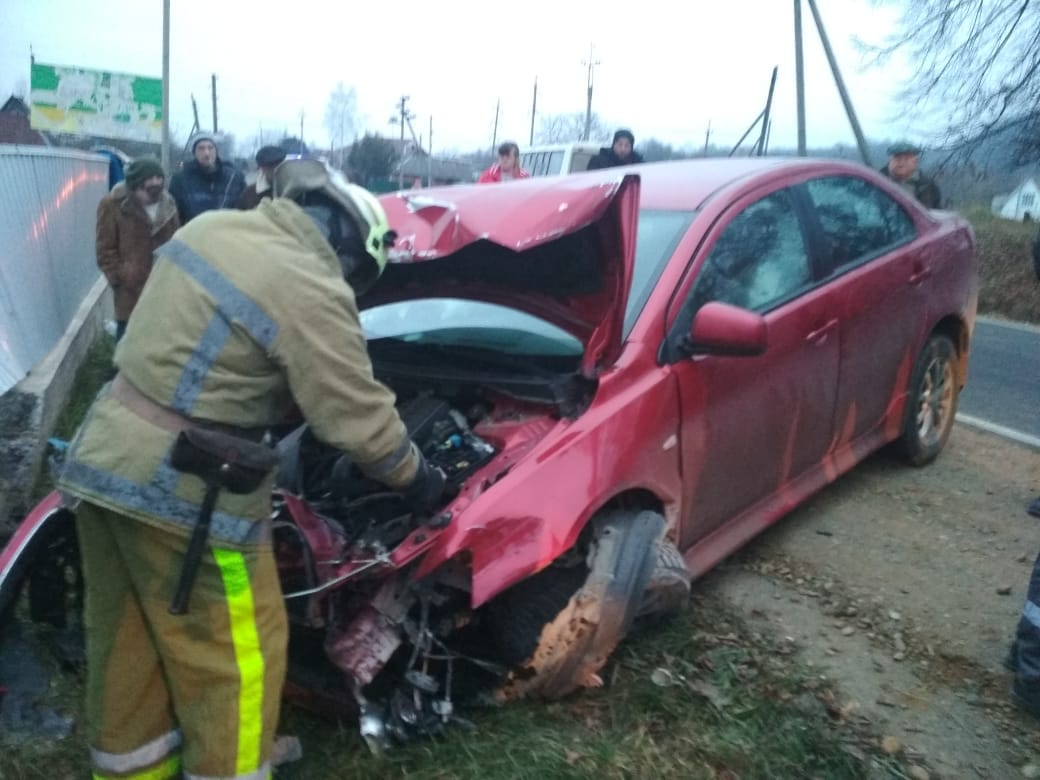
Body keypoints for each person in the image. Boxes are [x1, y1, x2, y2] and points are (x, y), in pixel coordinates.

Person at [58, 158, 447, 780]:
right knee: (240, 654)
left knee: (127, 640)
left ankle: (131, 771)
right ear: (349, 250)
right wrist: (422, 480)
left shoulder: (211, 229)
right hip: (185, 492)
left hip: (101, 457)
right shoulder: (309, 285)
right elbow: (359, 422)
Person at [95, 156, 180, 341]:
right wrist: (120, 277)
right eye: (150, 178)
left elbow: (177, 241)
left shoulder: (168, 203)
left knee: (160, 340)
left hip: (163, 284)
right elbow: (104, 249)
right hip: (130, 290)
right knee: (127, 341)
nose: (156, 182)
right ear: (136, 181)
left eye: (159, 177)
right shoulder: (112, 205)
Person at [168, 131, 246, 223]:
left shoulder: (234, 178)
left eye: (210, 148)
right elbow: (174, 215)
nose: (206, 153)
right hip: (194, 234)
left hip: (228, 234)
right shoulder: (180, 180)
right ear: (194, 152)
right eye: (201, 148)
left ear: (216, 151)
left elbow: (245, 208)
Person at [879, 142, 941, 208]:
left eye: (906, 159)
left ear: (915, 162)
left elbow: (936, 214)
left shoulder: (928, 186)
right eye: (897, 158)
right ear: (890, 161)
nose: (901, 163)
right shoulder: (876, 182)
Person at [236, 145, 287, 209]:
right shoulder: (250, 194)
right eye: (271, 166)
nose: (276, 170)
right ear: (261, 168)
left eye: (279, 165)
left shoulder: (297, 191)